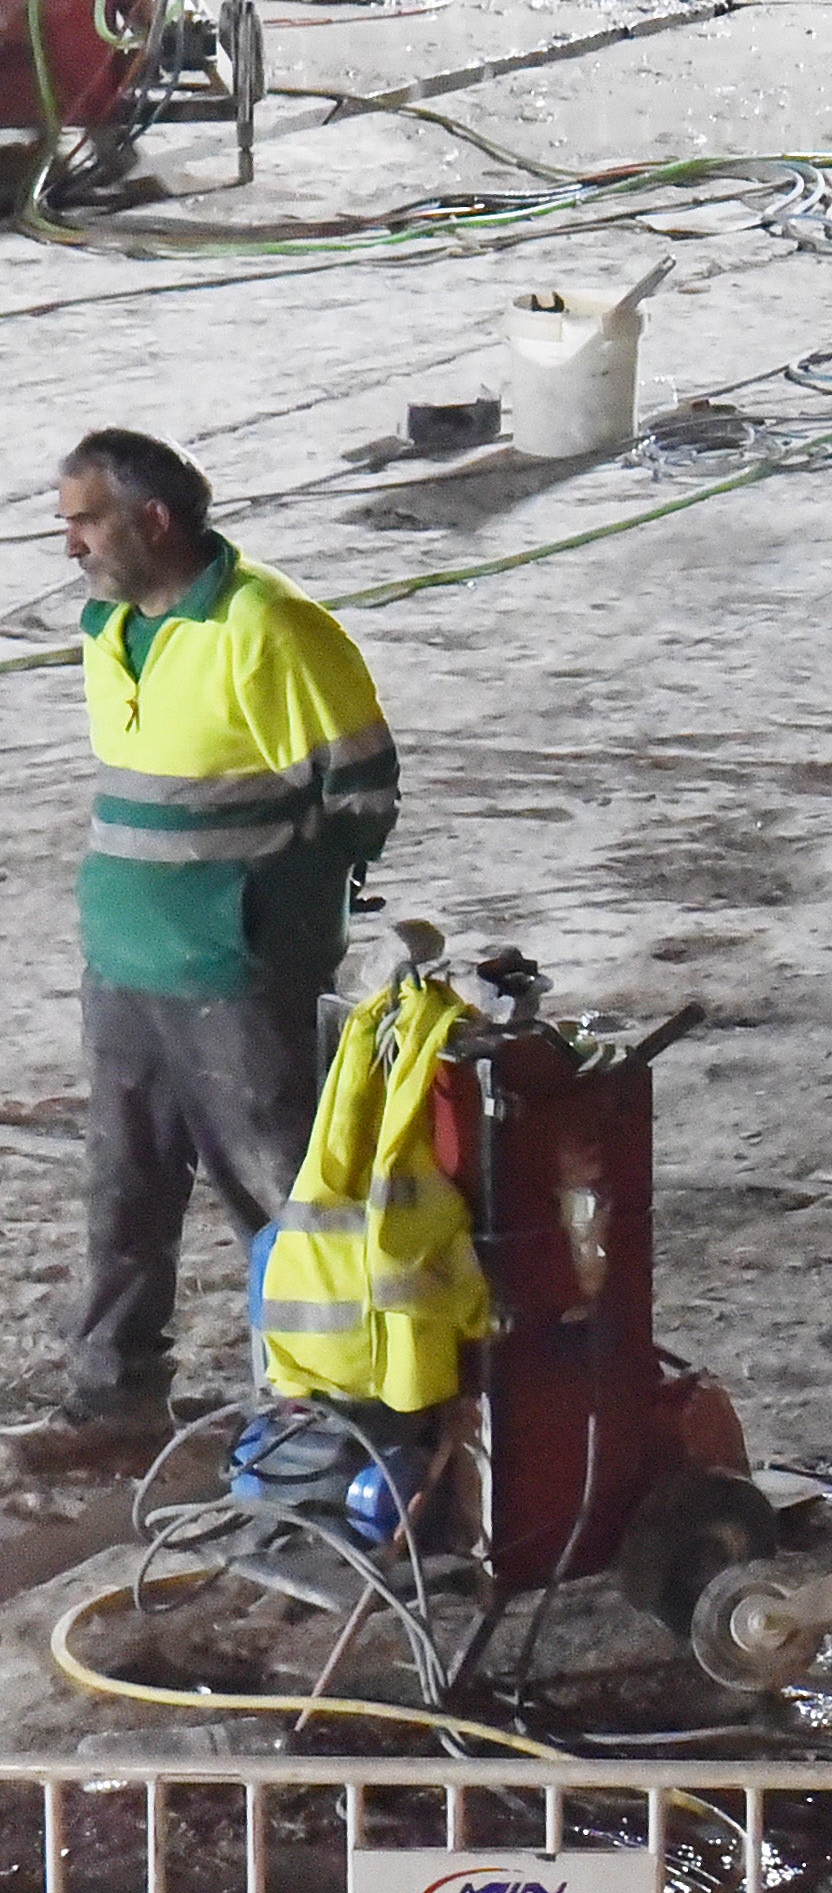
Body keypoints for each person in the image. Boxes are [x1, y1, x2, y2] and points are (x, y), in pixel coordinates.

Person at [30, 432, 395, 1470]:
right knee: (125, 1185)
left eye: (84, 520)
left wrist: (272, 921)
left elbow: (360, 793)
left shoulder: (271, 628)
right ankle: (114, 1398)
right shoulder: (107, 624)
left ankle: (332, 1413)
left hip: (235, 972)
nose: (69, 545)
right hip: (126, 959)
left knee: (279, 1194)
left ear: (153, 520)